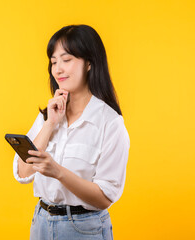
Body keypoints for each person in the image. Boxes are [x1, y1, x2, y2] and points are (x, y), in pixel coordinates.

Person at [12, 25, 130, 240]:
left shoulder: (110, 123)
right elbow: (23, 172)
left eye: (66, 60)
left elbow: (105, 198)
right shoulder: (47, 115)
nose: (57, 69)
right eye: (54, 62)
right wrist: (49, 124)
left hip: (84, 229)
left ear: (89, 63)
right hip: (41, 223)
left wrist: (58, 171)